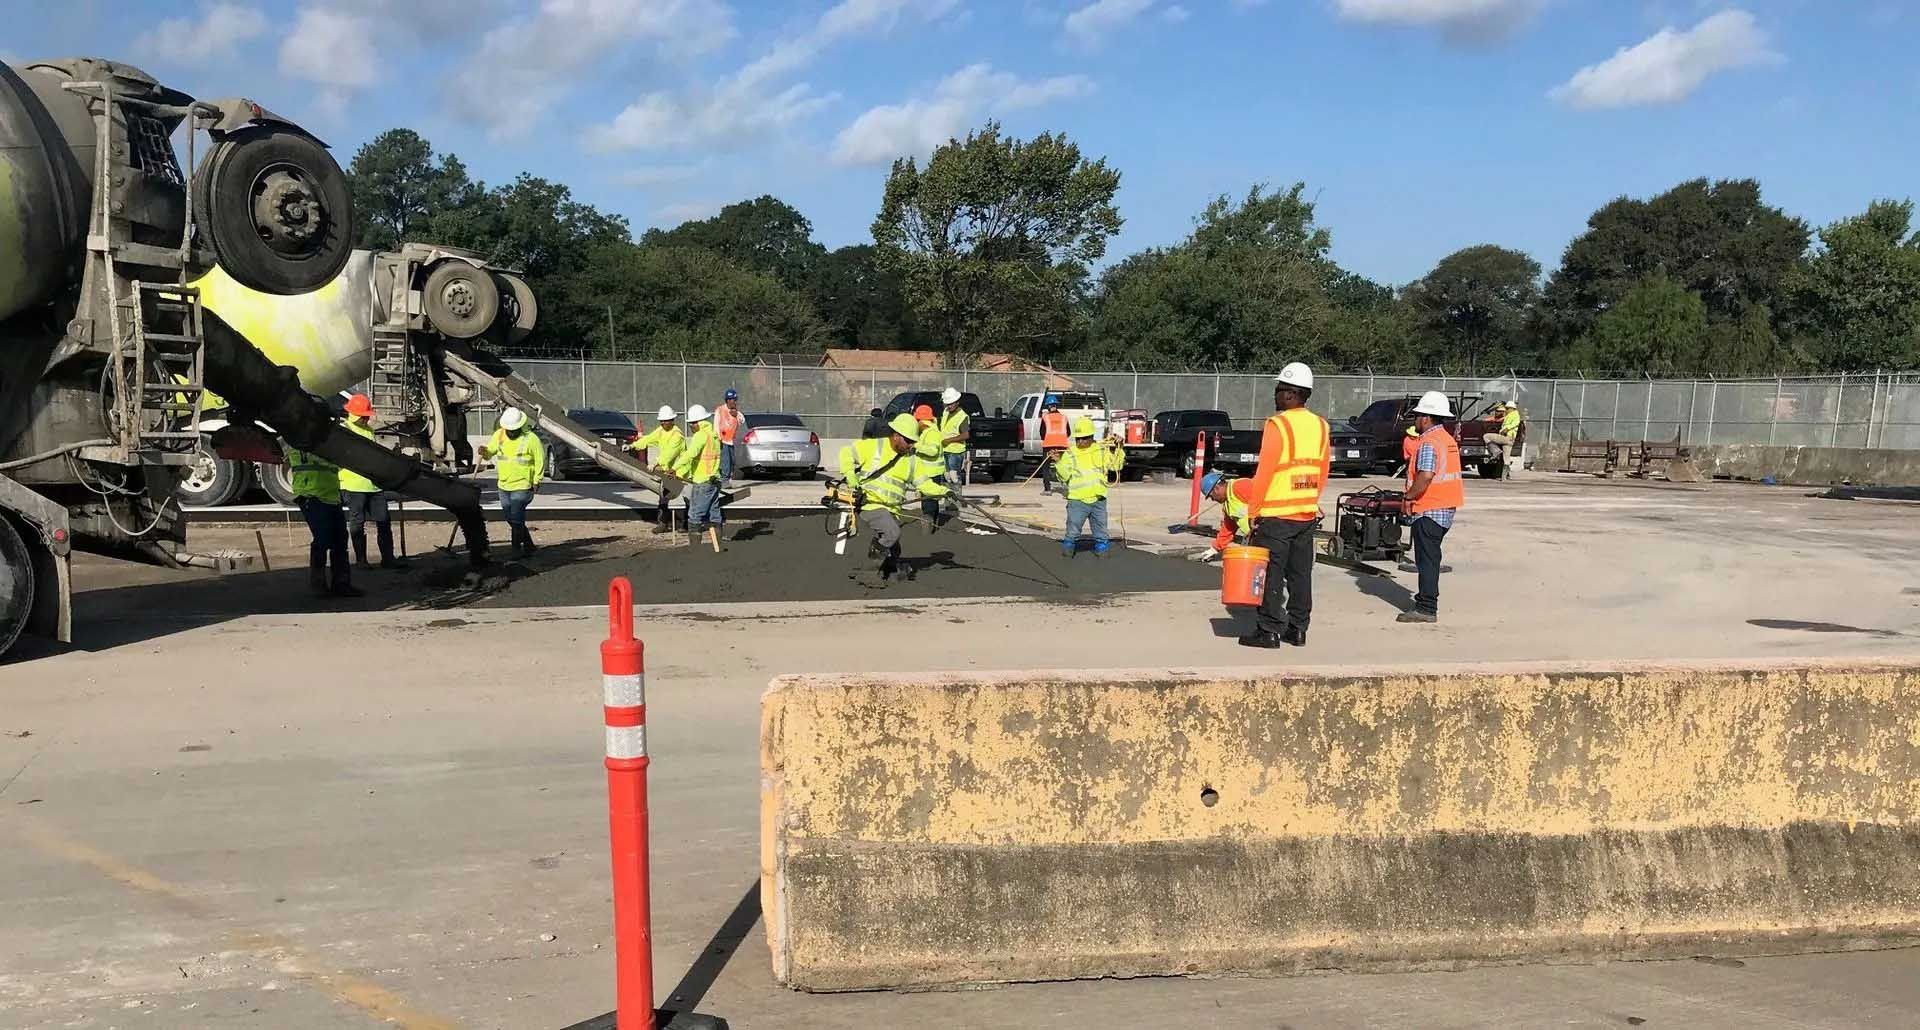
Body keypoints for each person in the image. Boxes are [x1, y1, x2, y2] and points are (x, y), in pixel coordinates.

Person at [1239, 362, 1329, 649]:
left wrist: (1253, 511)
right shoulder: (1321, 425)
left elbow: (1264, 471)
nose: (1274, 395)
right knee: (1301, 574)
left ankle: (1268, 630)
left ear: (1291, 394)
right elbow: (1323, 468)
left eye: (1278, 390)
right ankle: (1298, 629)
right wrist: (1312, 500)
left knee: (1272, 574)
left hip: (1276, 514)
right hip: (1305, 513)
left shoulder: (1277, 425)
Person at [838, 413, 949, 584]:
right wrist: (850, 475)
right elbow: (846, 453)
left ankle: (891, 568)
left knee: (893, 545)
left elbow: (924, 484)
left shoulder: (913, 460)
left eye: (913, 441)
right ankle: (868, 573)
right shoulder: (874, 446)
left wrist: (945, 492)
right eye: (908, 441)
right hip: (871, 504)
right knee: (892, 532)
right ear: (896, 436)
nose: (912, 445)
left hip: (892, 510)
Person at [1400, 391, 1464, 624]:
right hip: (1444, 509)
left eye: (1417, 416)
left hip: (1429, 509)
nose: (1415, 420)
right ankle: (1427, 602)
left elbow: (1426, 476)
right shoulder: (1447, 440)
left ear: (1426, 418)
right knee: (1431, 558)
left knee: (1426, 560)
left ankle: (1426, 608)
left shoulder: (1428, 442)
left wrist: (1408, 497)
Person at [337, 394, 406, 571]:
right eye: (364, 415)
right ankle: (361, 561)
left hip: (374, 485)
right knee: (357, 522)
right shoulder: (344, 430)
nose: (367, 418)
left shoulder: (368, 430)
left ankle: (388, 559)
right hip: (353, 485)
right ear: (354, 414)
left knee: (383, 521)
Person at [286, 441, 362, 599]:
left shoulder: (326, 444)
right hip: (311, 496)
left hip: (331, 496)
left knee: (340, 540)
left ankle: (341, 584)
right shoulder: (303, 441)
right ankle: (319, 585)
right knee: (322, 540)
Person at [1054, 416, 1124, 558]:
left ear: (1092, 437)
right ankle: (1068, 547)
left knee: (1101, 529)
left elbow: (1116, 466)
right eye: (1077, 438)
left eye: (1084, 438)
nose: (1080, 441)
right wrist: (1059, 462)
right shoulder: (1070, 453)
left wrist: (1119, 448)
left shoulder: (1101, 450)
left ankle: (1102, 549)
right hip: (1078, 499)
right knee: (1073, 528)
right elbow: (1064, 477)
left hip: (1098, 498)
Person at [479, 406, 544, 558]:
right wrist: (484, 451)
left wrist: (537, 480)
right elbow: (490, 453)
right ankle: (529, 545)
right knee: (512, 518)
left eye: (514, 429)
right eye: (509, 429)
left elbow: (540, 460)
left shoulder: (531, 439)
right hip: (504, 485)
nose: (511, 432)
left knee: (516, 518)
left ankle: (516, 549)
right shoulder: (499, 435)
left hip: (522, 486)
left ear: (520, 425)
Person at [630, 404, 685, 535]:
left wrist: (655, 463)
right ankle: (663, 523)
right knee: (663, 496)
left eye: (666, 421)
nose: (663, 423)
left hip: (682, 469)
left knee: (686, 496)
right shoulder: (661, 431)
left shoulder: (677, 435)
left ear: (672, 420)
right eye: (661, 421)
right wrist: (632, 446)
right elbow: (648, 439)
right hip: (667, 470)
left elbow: (670, 454)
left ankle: (686, 524)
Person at [674, 404, 724, 545]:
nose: (690, 426)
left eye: (691, 423)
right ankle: (718, 547)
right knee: (714, 514)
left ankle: (695, 550)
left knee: (694, 515)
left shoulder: (701, 435)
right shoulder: (713, 434)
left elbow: (691, 454)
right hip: (714, 480)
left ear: (698, 422)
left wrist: (675, 468)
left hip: (703, 481)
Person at [1191, 470, 1255, 562]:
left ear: (1216, 488)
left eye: (1211, 496)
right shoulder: (1228, 505)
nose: (1212, 500)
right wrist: (1215, 548)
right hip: (1257, 537)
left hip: (1271, 531)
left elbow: (1263, 497)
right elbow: (1228, 528)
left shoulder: (1239, 486)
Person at [913, 404, 946, 527]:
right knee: (930, 500)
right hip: (926, 472)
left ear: (922, 420)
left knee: (929, 501)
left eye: (917, 420)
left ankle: (928, 523)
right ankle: (933, 524)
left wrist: (916, 446)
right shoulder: (925, 432)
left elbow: (932, 451)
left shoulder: (932, 433)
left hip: (931, 472)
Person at [937, 386, 970, 489]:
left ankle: (956, 500)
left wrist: (949, 440)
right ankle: (948, 500)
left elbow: (966, 435)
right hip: (945, 450)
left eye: (951, 403)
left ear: (957, 402)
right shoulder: (946, 412)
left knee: (954, 476)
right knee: (947, 476)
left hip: (955, 452)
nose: (949, 405)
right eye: (948, 403)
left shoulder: (962, 416)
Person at [1484, 401, 1523, 480]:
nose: (1506, 409)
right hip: (1510, 440)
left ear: (1512, 408)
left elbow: (1515, 423)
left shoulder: (1515, 415)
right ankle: (1504, 477)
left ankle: (1496, 451)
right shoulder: (1509, 415)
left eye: (1507, 408)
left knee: (1486, 436)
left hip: (1506, 437)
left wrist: (1506, 429)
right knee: (1506, 458)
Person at [1039, 396, 1068, 495]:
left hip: (1048, 445)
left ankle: (1047, 489)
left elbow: (1042, 433)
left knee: (1046, 468)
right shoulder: (1064, 417)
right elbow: (1068, 432)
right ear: (1056, 405)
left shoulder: (1045, 417)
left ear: (1048, 406)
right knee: (1064, 466)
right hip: (1062, 445)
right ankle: (1067, 488)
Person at [715, 388, 743, 483]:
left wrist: (736, 415)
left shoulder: (737, 412)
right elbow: (716, 424)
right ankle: (724, 480)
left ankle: (728, 478)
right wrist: (718, 438)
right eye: (730, 400)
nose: (733, 402)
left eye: (734, 400)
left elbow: (742, 421)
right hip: (723, 441)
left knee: (732, 461)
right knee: (725, 462)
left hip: (733, 441)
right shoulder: (720, 410)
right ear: (727, 400)